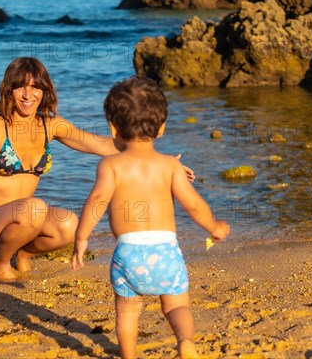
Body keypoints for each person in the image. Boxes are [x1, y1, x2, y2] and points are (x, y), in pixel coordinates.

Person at [0, 57, 193, 282]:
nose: (27, 94)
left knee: (69, 225)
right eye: (20, 86)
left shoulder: (52, 126)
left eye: (35, 87)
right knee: (34, 208)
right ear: (9, 89)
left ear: (44, 91)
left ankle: (22, 253)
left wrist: (161, 160)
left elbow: (102, 145)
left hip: (26, 220)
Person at [71, 76, 230, 359]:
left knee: (128, 311)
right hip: (166, 251)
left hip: (128, 253)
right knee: (176, 306)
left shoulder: (110, 165)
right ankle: (185, 342)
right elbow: (192, 203)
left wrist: (81, 238)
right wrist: (214, 226)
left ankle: (129, 356)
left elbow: (97, 202)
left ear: (113, 127)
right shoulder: (170, 165)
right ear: (162, 127)